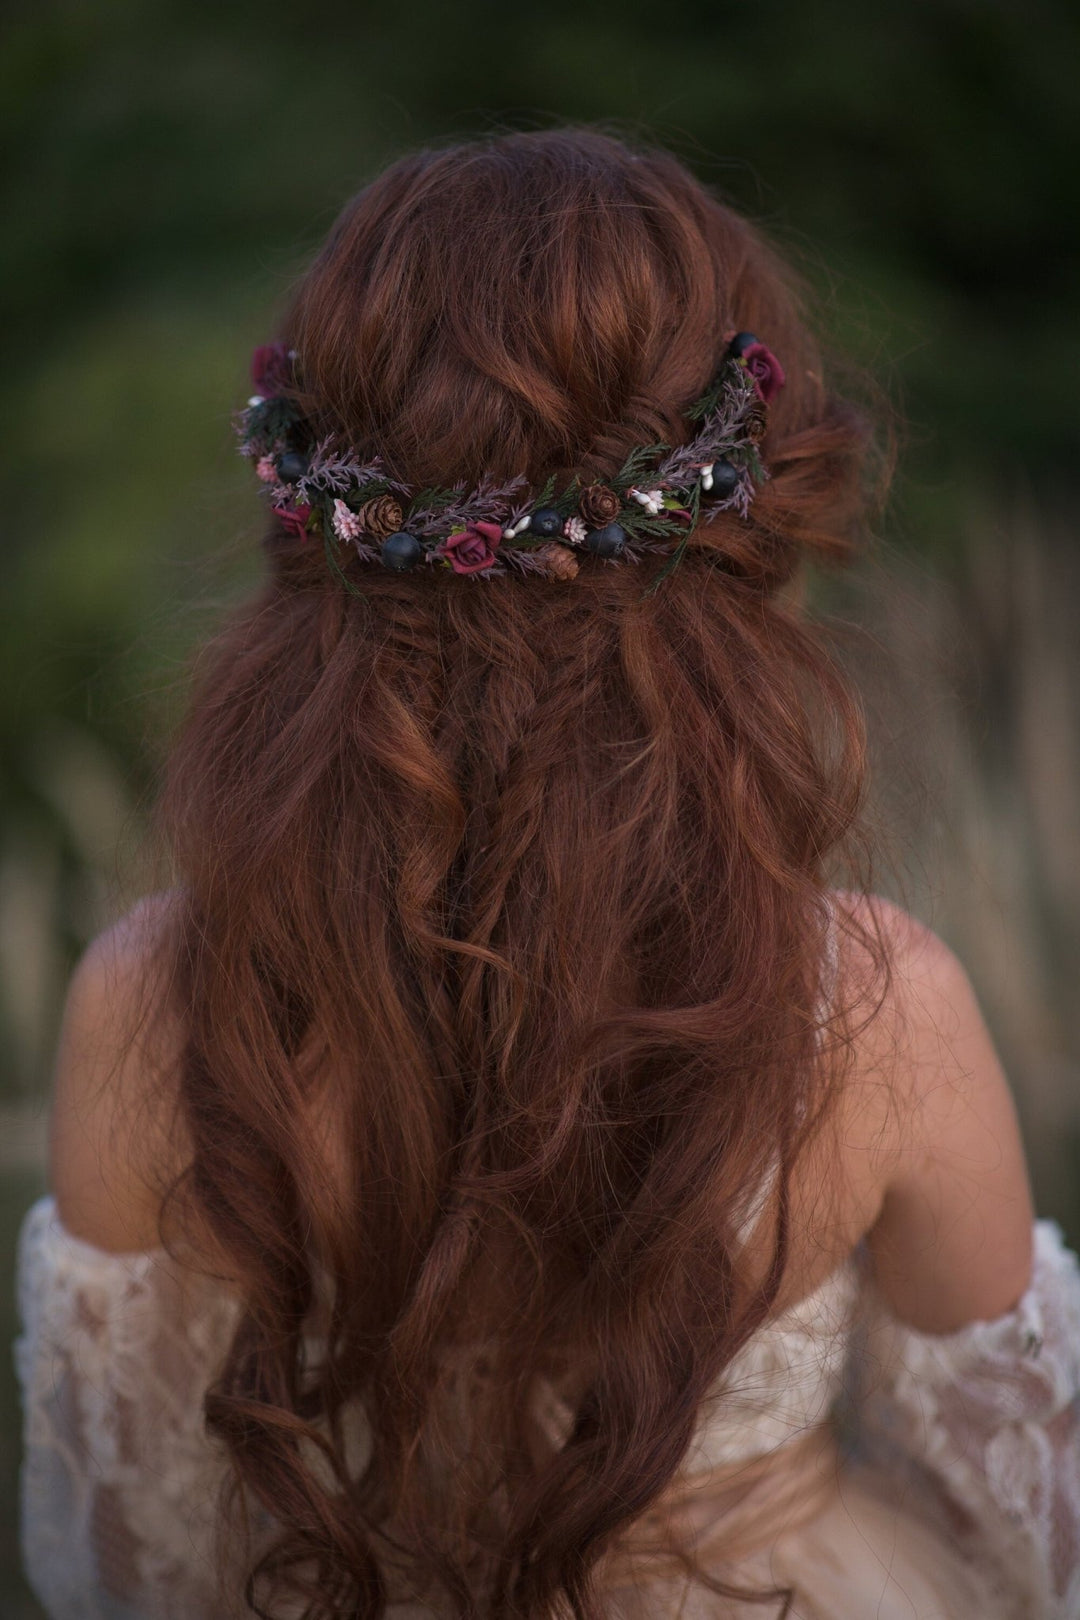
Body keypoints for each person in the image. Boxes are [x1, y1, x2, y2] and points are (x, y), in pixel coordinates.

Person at [13, 129, 1080, 1620]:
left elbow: (130, 1563)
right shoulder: (877, 1005)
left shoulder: (156, 1003)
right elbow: (1029, 1534)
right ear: (747, 508)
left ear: (306, 511)